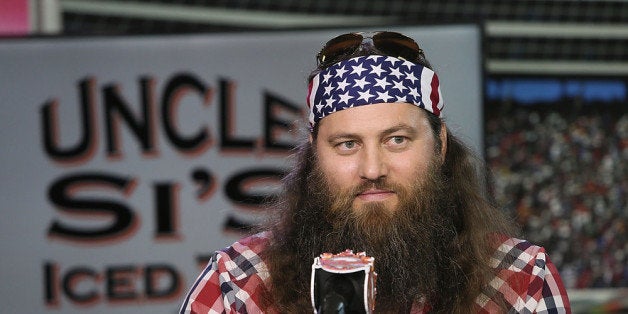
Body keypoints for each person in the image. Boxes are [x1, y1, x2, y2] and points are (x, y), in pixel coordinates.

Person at [180, 31, 571, 313]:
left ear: (441, 145)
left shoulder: (521, 279)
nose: (372, 169)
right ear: (315, 155)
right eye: (347, 144)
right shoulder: (237, 283)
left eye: (397, 140)